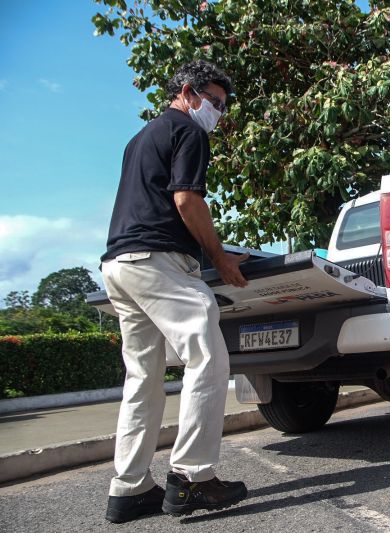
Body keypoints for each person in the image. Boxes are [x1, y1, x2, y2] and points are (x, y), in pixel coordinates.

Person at [101, 60, 250, 523]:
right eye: (213, 102)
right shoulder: (188, 130)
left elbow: (154, 202)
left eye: (222, 107)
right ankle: (192, 478)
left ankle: (129, 489)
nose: (217, 113)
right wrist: (219, 258)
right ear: (187, 93)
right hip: (158, 261)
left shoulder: (140, 138)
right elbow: (186, 199)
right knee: (208, 356)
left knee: (143, 378)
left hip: (119, 265)